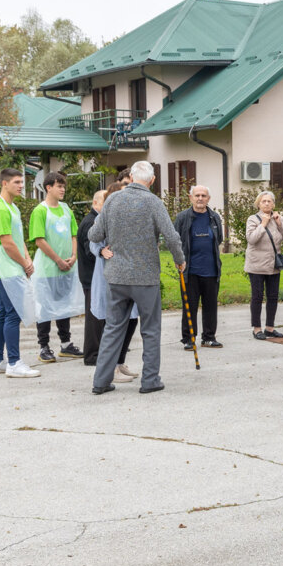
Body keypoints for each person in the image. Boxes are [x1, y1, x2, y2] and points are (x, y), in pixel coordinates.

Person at [87, 160, 185, 395]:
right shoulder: (154, 202)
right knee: (150, 329)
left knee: (113, 328)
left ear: (130, 176)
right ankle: (150, 380)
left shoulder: (112, 200)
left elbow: (94, 233)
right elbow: (171, 237)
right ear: (152, 180)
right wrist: (179, 259)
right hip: (145, 276)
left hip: (116, 276)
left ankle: (100, 382)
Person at [0, 168, 40, 378]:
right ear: (4, 184)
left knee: (3, 312)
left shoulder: (13, 208)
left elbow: (19, 238)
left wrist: (27, 260)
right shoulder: (0, 209)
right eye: (16, 182)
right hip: (6, 268)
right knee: (13, 313)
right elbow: (7, 243)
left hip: (14, 266)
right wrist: (24, 264)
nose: (20, 186)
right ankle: (14, 363)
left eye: (22, 182)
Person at [29, 171, 84, 363]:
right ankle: (44, 346)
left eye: (64, 186)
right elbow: (39, 240)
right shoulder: (40, 211)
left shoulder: (66, 209)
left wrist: (73, 255)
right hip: (47, 268)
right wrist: (57, 260)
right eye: (59, 186)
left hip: (67, 266)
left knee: (63, 306)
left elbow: (74, 235)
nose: (62, 190)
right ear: (48, 188)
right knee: (45, 307)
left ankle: (66, 344)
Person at [89, 183, 140, 384]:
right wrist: (101, 251)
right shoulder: (104, 217)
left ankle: (120, 362)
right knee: (112, 321)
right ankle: (110, 368)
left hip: (130, 275)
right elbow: (93, 241)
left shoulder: (132, 217)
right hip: (108, 275)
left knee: (132, 318)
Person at [174, 185, 224, 349]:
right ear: (191, 198)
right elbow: (175, 241)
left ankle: (209, 337)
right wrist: (178, 258)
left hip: (211, 269)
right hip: (190, 271)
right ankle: (189, 338)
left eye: (204, 195)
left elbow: (219, 239)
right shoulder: (183, 217)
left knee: (210, 306)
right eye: (197, 195)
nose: (200, 198)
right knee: (190, 306)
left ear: (208, 199)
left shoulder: (214, 217)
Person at [245, 190, 283, 340]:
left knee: (273, 297)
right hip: (257, 265)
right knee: (257, 296)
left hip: (273, 265)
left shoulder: (278, 218)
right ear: (258, 204)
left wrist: (279, 224)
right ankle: (257, 328)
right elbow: (251, 239)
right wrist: (263, 224)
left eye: (269, 201)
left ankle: (270, 328)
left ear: (274, 203)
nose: (267, 203)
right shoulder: (253, 219)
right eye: (263, 201)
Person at [77, 189, 105, 366]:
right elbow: (90, 251)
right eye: (104, 201)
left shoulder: (98, 220)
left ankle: (100, 350)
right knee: (94, 317)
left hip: (96, 276)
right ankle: (92, 355)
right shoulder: (91, 222)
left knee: (100, 315)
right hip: (91, 277)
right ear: (95, 203)